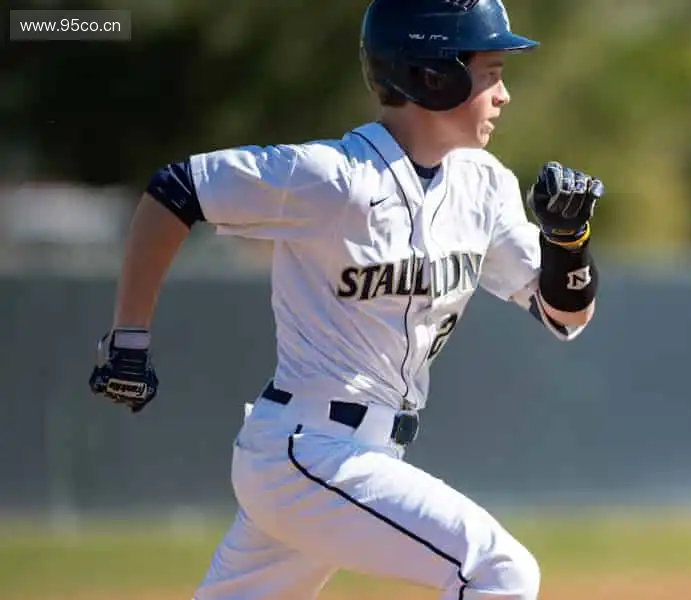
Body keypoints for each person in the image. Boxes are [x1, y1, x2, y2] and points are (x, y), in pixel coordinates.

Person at [86, 1, 603, 598]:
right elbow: (176, 190)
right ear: (434, 75)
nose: (504, 94)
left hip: (356, 455)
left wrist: (568, 243)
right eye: (490, 73)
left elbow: (565, 316)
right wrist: (129, 336)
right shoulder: (334, 176)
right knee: (498, 570)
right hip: (307, 450)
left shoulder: (484, 185)